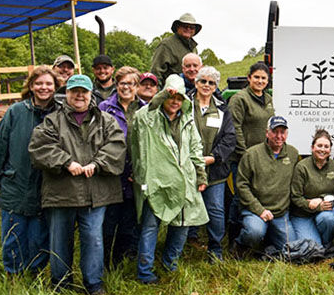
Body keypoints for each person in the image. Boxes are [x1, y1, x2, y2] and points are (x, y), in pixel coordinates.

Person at [28, 74, 126, 295]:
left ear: (91, 94)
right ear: (67, 94)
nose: (79, 95)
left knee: (93, 239)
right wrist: (65, 162)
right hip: (61, 193)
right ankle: (61, 283)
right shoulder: (52, 121)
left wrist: (98, 163)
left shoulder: (106, 120)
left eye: (84, 91)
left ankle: (93, 283)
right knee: (60, 239)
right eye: (75, 91)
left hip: (96, 193)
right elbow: (39, 147)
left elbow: (117, 146)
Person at [129, 75, 208, 283]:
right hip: (157, 180)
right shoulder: (149, 117)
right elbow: (140, 118)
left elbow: (195, 147)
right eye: (171, 96)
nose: (174, 101)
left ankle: (170, 264)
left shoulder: (187, 119)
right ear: (163, 96)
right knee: (150, 226)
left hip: (184, 181)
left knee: (182, 225)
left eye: (179, 98)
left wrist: (201, 174)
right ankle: (145, 272)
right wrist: (159, 98)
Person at [0, 65, 60, 276]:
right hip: (15, 182)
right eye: (39, 83)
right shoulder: (16, 112)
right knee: (14, 233)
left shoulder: (60, 113)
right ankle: (13, 273)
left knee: (39, 235)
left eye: (48, 83)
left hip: (47, 185)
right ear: (31, 86)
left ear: (55, 87)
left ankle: (35, 272)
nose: (43, 88)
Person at [98, 66, 145, 268]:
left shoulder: (145, 110)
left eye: (131, 83)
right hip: (110, 173)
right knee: (109, 220)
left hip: (134, 174)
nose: (126, 87)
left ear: (137, 86)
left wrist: (140, 170)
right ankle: (104, 260)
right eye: (122, 83)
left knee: (129, 218)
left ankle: (121, 261)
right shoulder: (104, 108)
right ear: (116, 85)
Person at [187, 65, 236, 261]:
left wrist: (213, 157)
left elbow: (229, 138)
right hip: (188, 167)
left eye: (211, 82)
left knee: (215, 209)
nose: (206, 85)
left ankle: (215, 249)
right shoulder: (184, 104)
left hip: (215, 169)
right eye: (203, 81)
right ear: (196, 82)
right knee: (187, 206)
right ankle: (186, 243)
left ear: (216, 86)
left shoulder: (223, 108)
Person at [235, 116, 299, 252]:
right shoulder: (251, 154)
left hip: (281, 213)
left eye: (283, 132)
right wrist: (259, 210)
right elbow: (242, 185)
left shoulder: (293, 154)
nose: (279, 136)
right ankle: (240, 245)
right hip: (256, 210)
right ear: (267, 133)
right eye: (275, 131)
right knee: (254, 232)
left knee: (291, 248)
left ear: (287, 134)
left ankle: (267, 242)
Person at [227, 62, 275, 238]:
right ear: (249, 78)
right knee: (240, 195)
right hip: (242, 157)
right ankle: (233, 234)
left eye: (263, 78)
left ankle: (258, 231)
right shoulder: (239, 99)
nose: (260, 81)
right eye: (256, 77)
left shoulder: (269, 99)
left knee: (258, 193)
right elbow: (235, 127)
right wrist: (244, 153)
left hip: (264, 156)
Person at [290, 129, 334, 246]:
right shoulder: (302, 167)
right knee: (312, 247)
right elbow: (295, 197)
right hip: (302, 214)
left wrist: (322, 200)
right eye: (319, 145)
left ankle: (327, 244)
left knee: (328, 219)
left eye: (326, 146)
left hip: (326, 212)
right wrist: (310, 205)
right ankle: (318, 242)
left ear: (330, 150)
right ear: (312, 147)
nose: (322, 149)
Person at [150, 13, 201, 85]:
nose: (188, 29)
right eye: (185, 26)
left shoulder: (193, 48)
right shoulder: (166, 44)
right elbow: (156, 72)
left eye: (192, 27)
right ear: (178, 27)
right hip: (170, 91)